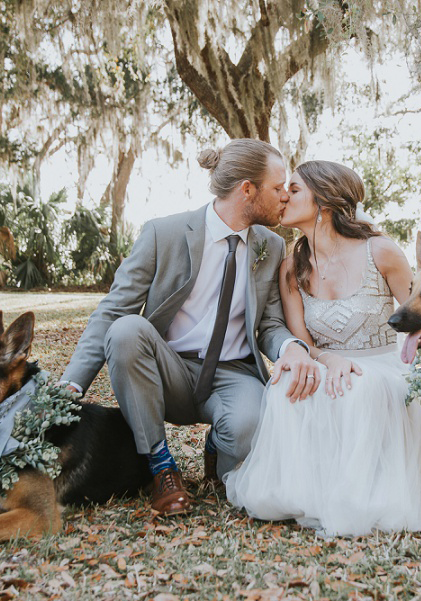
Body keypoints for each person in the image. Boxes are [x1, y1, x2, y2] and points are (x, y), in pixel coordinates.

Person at [225, 160, 421, 536]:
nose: (283, 196)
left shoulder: (379, 251)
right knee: (288, 388)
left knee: (359, 387)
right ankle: (310, 492)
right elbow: (304, 341)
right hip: (326, 362)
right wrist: (327, 361)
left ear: (324, 201)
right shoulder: (290, 267)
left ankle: (362, 498)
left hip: (384, 366)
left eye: (294, 190)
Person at [60, 139, 324, 516]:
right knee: (125, 331)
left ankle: (217, 444)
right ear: (247, 190)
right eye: (278, 187)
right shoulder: (161, 234)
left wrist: (291, 348)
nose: (285, 196)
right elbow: (111, 311)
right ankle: (161, 467)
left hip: (233, 375)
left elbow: (269, 323)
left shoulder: (271, 246)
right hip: (169, 370)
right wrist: (71, 384)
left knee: (248, 432)